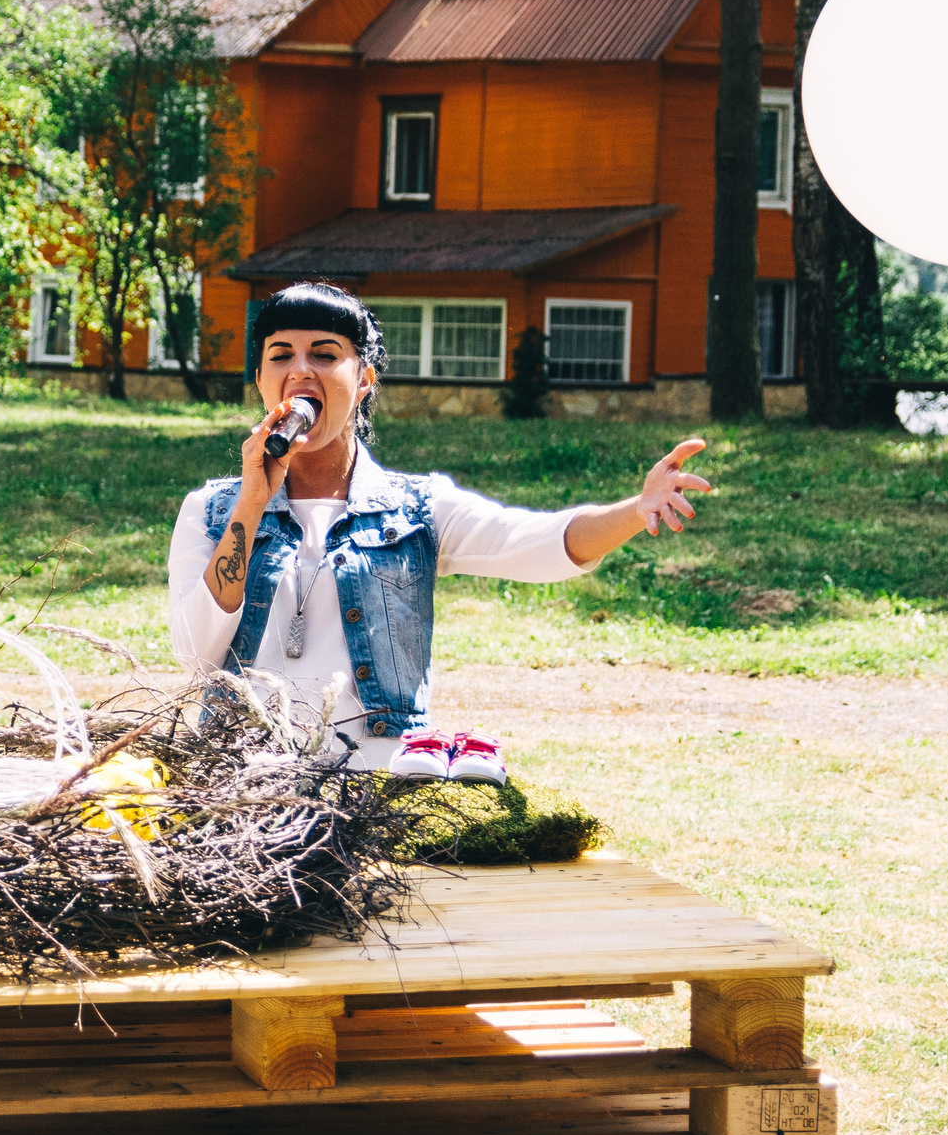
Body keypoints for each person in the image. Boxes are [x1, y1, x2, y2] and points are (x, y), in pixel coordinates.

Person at [169, 282, 713, 773]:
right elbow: (195, 652)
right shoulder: (211, 511)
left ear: (362, 380)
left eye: (326, 355)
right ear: (262, 379)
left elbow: (535, 542)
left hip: (373, 791)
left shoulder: (417, 509)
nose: (301, 370)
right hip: (240, 788)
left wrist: (635, 510)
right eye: (281, 355)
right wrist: (252, 502)